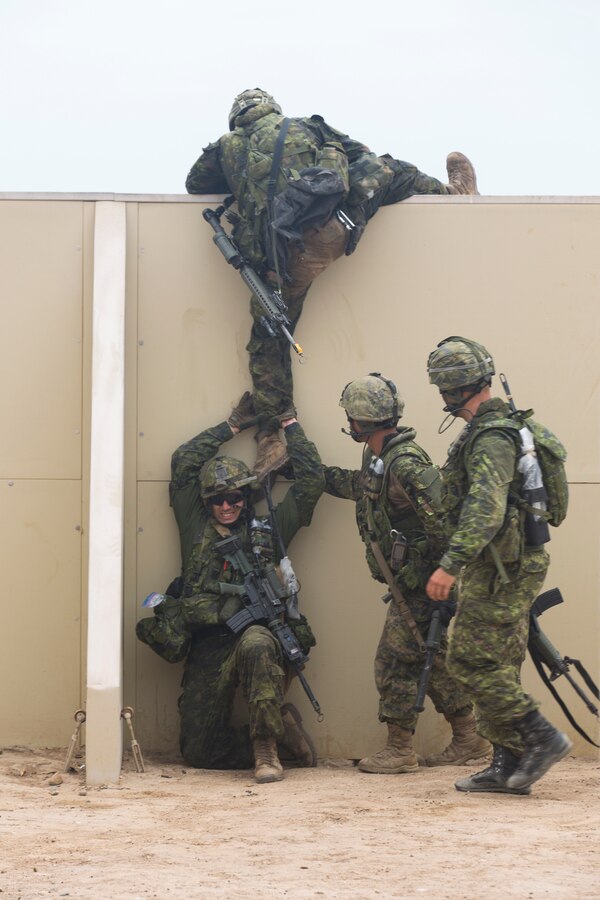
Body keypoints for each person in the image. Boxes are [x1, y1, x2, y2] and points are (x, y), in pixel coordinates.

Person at [186, 88, 479, 479]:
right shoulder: (308, 126)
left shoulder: (226, 146)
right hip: (331, 230)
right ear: (272, 109)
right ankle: (455, 194)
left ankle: (272, 439)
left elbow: (195, 183)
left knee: (268, 343)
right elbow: (364, 156)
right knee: (394, 169)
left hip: (279, 262)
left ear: (236, 119)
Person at [136, 392, 325, 784]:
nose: (227, 506)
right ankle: (285, 736)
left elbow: (312, 480)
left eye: (235, 498)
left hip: (254, 636)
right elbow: (183, 462)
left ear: (247, 496)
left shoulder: (267, 530)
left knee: (257, 642)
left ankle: (265, 751)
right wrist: (234, 426)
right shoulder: (194, 527)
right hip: (208, 643)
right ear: (206, 502)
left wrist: (289, 424)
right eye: (218, 499)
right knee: (199, 752)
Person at [322, 373, 490, 774]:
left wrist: (437, 576)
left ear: (362, 422)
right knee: (430, 656)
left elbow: (444, 523)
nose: (349, 422)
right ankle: (469, 738)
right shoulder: (379, 456)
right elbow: (361, 487)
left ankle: (399, 749)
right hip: (413, 583)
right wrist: (313, 472)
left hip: (424, 585)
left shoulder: (406, 463)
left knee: (394, 660)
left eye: (351, 417)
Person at [425, 336, 572, 795]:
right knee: (498, 664)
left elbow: (485, 510)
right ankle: (507, 765)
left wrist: (450, 565)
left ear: (449, 391)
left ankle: (540, 738)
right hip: (504, 563)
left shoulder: (491, 438)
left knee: (470, 661)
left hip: (500, 568)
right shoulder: (505, 428)